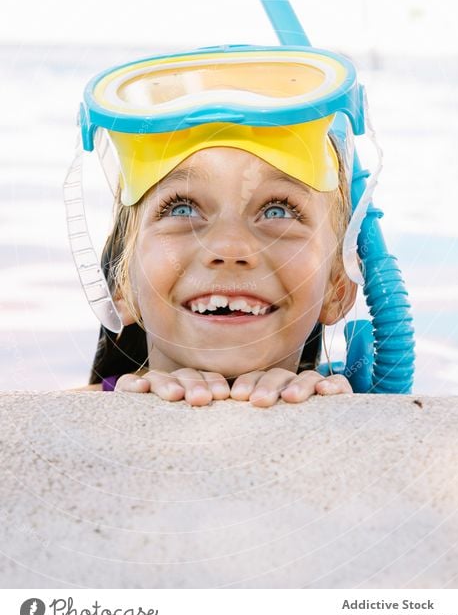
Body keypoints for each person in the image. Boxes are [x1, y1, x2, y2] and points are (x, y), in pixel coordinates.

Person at [69, 46, 364, 406]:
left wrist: (334, 405)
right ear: (123, 285)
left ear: (337, 288)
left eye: (277, 212)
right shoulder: (68, 411)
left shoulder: (355, 400)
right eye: (181, 209)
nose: (228, 248)